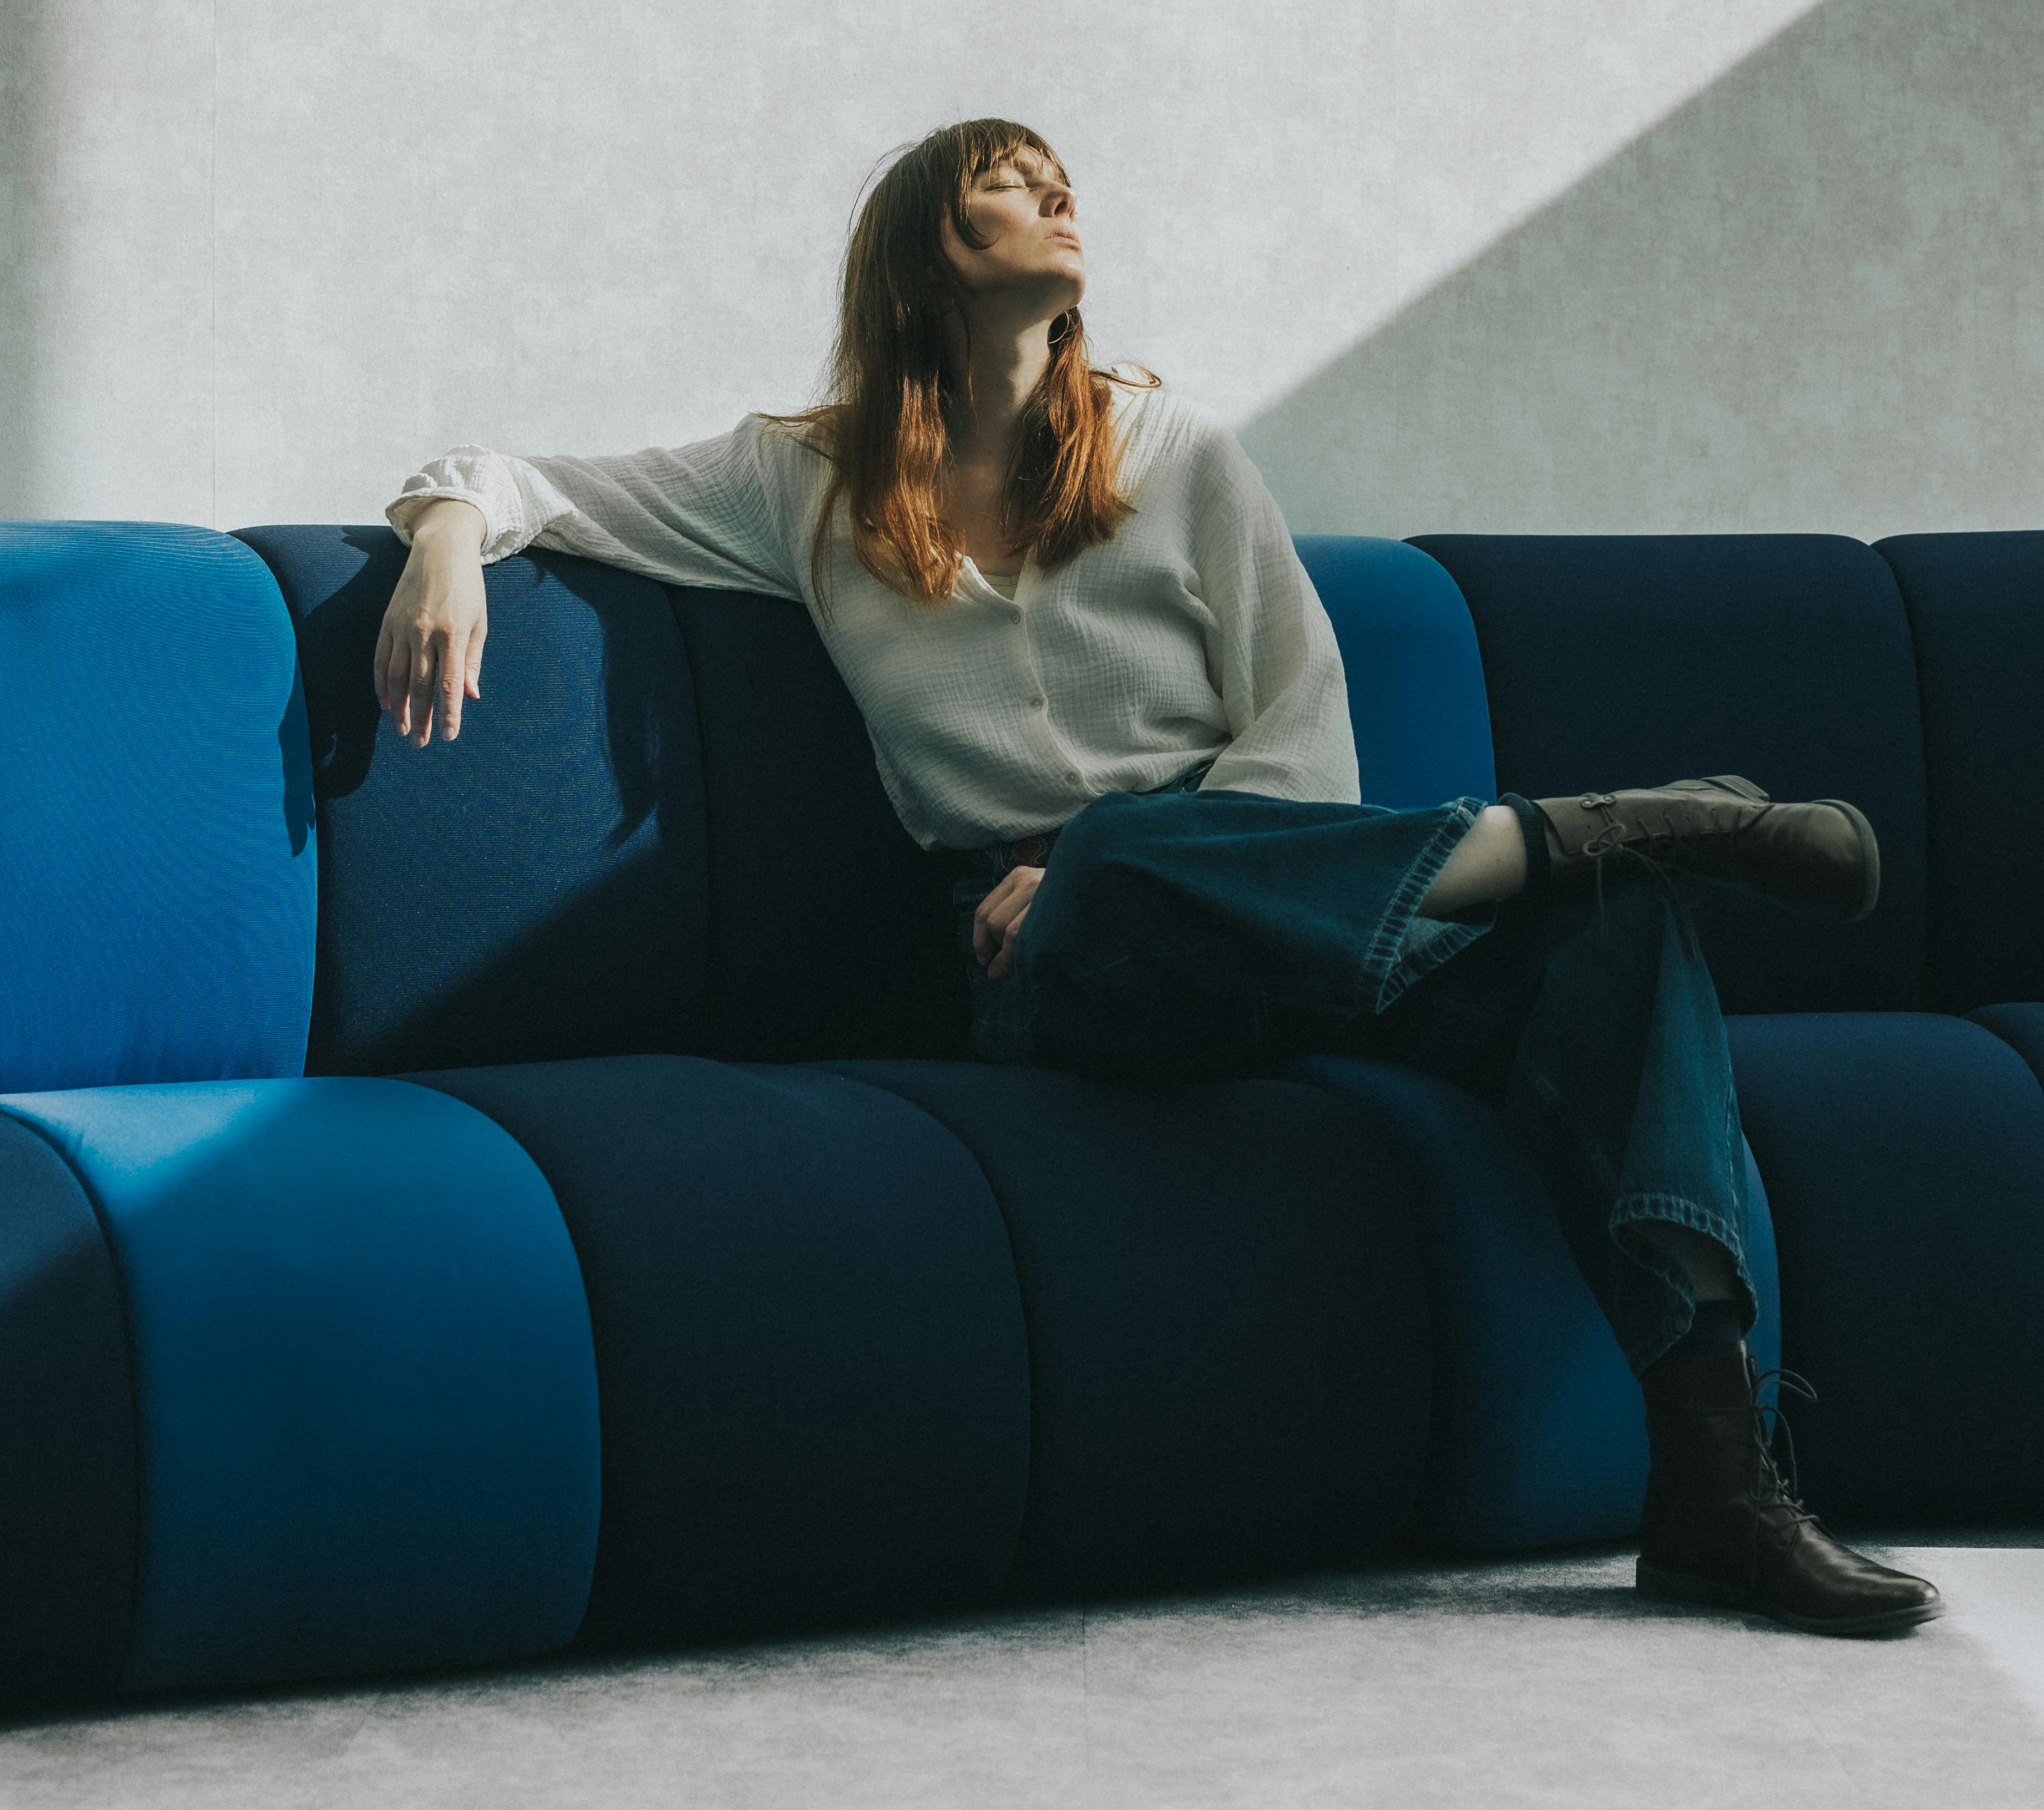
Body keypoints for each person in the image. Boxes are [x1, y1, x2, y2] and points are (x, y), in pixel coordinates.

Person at [376, 115, 1940, 1641]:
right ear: (927, 256)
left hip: (1293, 910)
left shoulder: (1175, 453)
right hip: (1058, 969)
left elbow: (1303, 732)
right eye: (1013, 187)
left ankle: (1719, 1490)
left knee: (1621, 943)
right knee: (1116, 865)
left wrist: (1130, 856)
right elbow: (526, 483)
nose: (1062, 202)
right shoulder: (810, 482)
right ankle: (1594, 822)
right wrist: (448, 537)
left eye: (1065, 184)